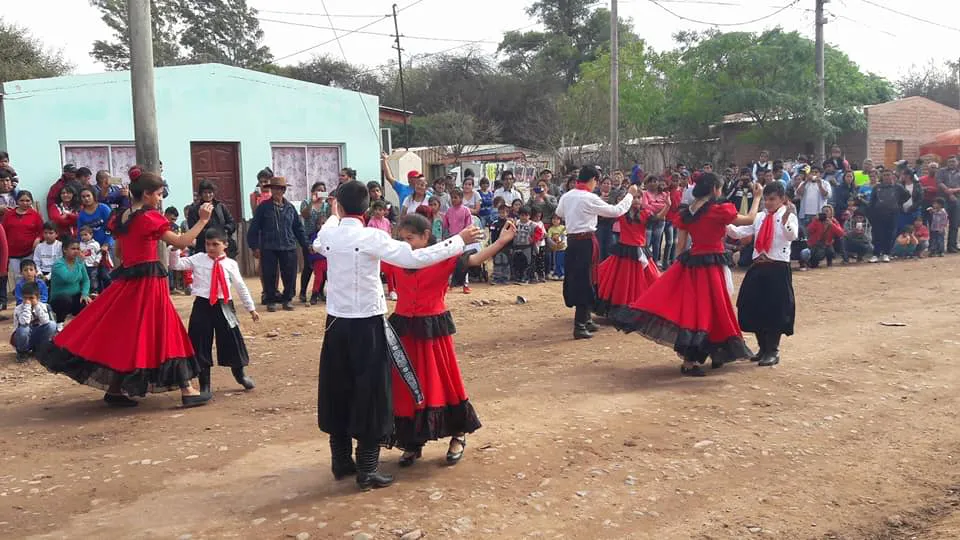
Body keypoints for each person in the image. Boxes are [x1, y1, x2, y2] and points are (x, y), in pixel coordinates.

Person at [313, 180, 483, 491]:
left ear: (339, 206)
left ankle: (341, 461)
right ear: (367, 209)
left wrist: (334, 215)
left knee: (337, 389)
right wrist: (458, 240)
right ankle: (367, 470)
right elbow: (416, 259)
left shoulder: (329, 235)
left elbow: (318, 240)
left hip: (335, 323)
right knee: (371, 392)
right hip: (366, 324)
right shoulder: (372, 237)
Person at [37, 172, 215, 408]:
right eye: (159, 194)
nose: (160, 199)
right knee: (164, 328)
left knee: (126, 331)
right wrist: (202, 221)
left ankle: (115, 389)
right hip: (149, 282)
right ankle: (187, 389)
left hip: (127, 280)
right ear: (147, 194)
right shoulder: (149, 217)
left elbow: (119, 253)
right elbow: (182, 242)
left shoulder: (121, 217)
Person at [386, 213, 515, 468]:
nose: (405, 244)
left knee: (443, 383)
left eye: (410, 238)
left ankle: (458, 434)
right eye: (402, 239)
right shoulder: (396, 259)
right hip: (405, 332)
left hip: (432, 331)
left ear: (426, 236)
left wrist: (501, 241)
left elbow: (475, 259)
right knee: (406, 387)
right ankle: (412, 441)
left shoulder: (443, 257)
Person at [614, 173, 761, 376]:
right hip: (712, 266)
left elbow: (681, 246)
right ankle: (700, 359)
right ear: (714, 189)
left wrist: (679, 270)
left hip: (692, 265)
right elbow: (750, 219)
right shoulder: (719, 209)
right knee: (714, 308)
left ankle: (700, 358)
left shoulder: (688, 212)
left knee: (696, 311)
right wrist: (757, 197)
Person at [169, 228, 260, 393]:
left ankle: (240, 374)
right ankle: (205, 383)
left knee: (232, 340)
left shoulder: (231, 264)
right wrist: (175, 248)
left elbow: (240, 286)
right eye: (207, 244)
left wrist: (251, 308)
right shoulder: (198, 259)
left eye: (215, 244)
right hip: (202, 304)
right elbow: (176, 265)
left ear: (225, 245)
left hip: (224, 304)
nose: (210, 248)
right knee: (200, 342)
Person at [556, 166, 636, 340]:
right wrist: (629, 195)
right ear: (592, 180)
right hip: (586, 241)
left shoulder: (567, 196)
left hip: (572, 240)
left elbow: (559, 212)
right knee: (586, 280)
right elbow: (616, 211)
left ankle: (585, 319)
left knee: (581, 278)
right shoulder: (589, 197)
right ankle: (579, 325)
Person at [725, 182, 797, 367]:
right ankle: (762, 347)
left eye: (772, 199)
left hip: (777, 267)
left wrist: (786, 221)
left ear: (782, 199)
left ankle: (772, 350)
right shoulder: (759, 216)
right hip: (758, 266)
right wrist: (723, 222)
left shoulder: (788, 216)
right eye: (766, 199)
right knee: (750, 305)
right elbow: (740, 232)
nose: (768, 203)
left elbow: (792, 236)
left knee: (775, 310)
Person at [594, 194, 664, 318]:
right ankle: (621, 309)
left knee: (646, 279)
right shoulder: (622, 213)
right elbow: (606, 214)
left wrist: (668, 206)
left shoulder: (645, 213)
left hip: (638, 251)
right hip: (625, 250)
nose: (637, 200)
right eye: (634, 198)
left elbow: (658, 218)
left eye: (639, 197)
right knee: (622, 281)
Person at [247, 177, 309, 312]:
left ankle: (287, 299)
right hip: (269, 246)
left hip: (288, 245)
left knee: (290, 274)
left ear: (284, 190)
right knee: (269, 274)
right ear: (271, 190)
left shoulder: (290, 208)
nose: (277, 191)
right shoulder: (263, 207)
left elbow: (298, 228)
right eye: (274, 188)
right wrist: (254, 246)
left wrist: (306, 244)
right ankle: (270, 300)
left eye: (280, 189)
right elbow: (254, 228)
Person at [187, 180, 237, 257]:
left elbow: (231, 223)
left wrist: (224, 231)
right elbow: (193, 229)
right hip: (204, 248)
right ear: (201, 193)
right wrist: (211, 234)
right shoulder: (194, 210)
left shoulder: (221, 207)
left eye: (210, 192)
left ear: (213, 193)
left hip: (223, 246)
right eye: (205, 192)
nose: (207, 195)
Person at [868, 170, 909, 263]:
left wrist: (898, 204)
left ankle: (886, 254)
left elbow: (907, 195)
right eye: (884, 175)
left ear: (892, 176)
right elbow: (872, 201)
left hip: (892, 214)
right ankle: (876, 254)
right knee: (877, 234)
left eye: (888, 175)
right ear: (881, 177)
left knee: (889, 234)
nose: (886, 177)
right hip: (878, 214)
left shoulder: (898, 187)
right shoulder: (877, 187)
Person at [47, 237, 91, 325]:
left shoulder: (79, 263)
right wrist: (80, 263)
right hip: (59, 299)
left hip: (75, 297)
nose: (76, 251)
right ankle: (60, 323)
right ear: (65, 250)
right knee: (65, 299)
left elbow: (86, 280)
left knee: (87, 301)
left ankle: (80, 325)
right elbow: (70, 279)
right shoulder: (58, 264)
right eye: (73, 249)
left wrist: (84, 294)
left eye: (78, 249)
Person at [11, 281, 57, 363]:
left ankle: (40, 348)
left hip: (36, 335)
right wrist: (27, 307)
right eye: (25, 298)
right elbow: (24, 323)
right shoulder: (18, 309)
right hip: (21, 338)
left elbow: (45, 321)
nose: (28, 301)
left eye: (31, 298)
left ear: (38, 298)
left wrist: (36, 306)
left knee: (52, 325)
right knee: (24, 329)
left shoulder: (43, 306)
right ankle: (22, 352)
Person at [3, 190, 43, 278]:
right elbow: (3, 232)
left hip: (29, 252)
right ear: (17, 201)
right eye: (22, 200)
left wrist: (38, 238)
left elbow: (42, 231)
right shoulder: (9, 215)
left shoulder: (35, 215)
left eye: (27, 200)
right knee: (18, 277)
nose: (25, 203)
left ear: (31, 201)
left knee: (30, 277)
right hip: (13, 253)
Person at [443, 188, 477, 293]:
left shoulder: (466, 210)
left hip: (463, 239)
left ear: (461, 198)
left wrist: (466, 237)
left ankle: (465, 284)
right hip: (452, 238)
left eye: (455, 197)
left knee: (463, 262)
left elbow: (469, 225)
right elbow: (446, 226)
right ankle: (449, 283)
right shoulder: (449, 211)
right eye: (452, 198)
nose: (453, 200)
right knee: (451, 261)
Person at [936, 157, 960, 253]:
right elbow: (939, 182)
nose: (951, 163)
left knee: (954, 224)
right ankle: (939, 247)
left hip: (957, 199)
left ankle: (952, 246)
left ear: (957, 162)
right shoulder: (942, 171)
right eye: (949, 161)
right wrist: (949, 192)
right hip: (943, 200)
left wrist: (953, 190)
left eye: (953, 161)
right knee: (940, 223)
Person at [489, 204, 512, 285]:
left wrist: (510, 246)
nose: (502, 214)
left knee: (506, 262)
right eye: (501, 212)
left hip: (507, 247)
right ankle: (496, 278)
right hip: (497, 246)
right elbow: (492, 236)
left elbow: (512, 235)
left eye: (504, 212)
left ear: (507, 213)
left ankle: (505, 278)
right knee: (497, 262)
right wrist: (493, 246)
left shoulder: (510, 224)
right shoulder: (495, 223)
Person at [78, 226, 104, 293]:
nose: (83, 237)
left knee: (93, 278)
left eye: (85, 235)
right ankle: (86, 291)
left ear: (91, 234)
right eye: (81, 235)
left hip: (92, 265)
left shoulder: (95, 244)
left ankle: (94, 291)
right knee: (84, 278)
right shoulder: (80, 244)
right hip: (83, 265)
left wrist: (97, 261)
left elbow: (99, 253)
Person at [547, 214, 566, 280]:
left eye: (557, 219)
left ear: (560, 220)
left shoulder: (563, 227)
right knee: (556, 261)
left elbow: (564, 236)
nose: (555, 220)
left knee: (562, 261)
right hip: (555, 248)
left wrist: (562, 243)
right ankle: (556, 274)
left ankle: (562, 274)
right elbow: (549, 238)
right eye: (553, 219)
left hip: (562, 248)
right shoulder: (551, 229)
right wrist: (554, 244)